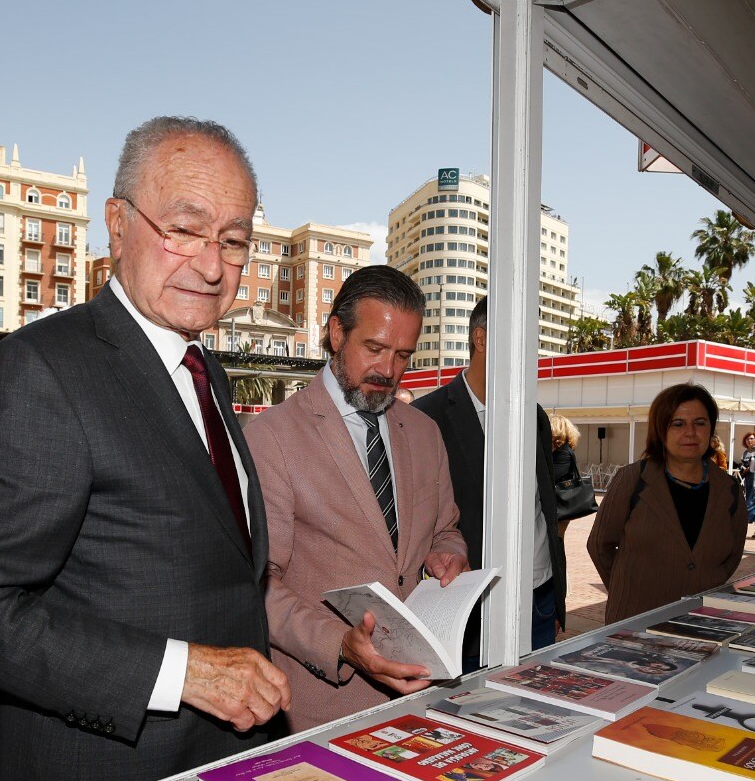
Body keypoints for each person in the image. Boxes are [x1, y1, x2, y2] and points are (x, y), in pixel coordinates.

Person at [0, 117, 289, 781]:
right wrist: (183, 673)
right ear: (118, 226)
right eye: (183, 229)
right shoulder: (40, 369)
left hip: (218, 772)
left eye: (235, 240)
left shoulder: (202, 365)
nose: (212, 265)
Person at [246, 266, 466, 731]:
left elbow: (445, 528)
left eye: (403, 355)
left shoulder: (426, 433)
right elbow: (259, 585)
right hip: (324, 708)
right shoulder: (273, 437)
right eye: (375, 349)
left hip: (425, 700)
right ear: (336, 333)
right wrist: (339, 644)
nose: (388, 370)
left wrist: (449, 552)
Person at [413, 296, 566, 656]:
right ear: (481, 340)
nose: (533, 350)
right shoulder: (427, 418)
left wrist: (557, 596)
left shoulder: (535, 417)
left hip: (539, 600)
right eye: (522, 338)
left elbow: (544, 506)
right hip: (469, 610)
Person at [586, 382, 747, 622]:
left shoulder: (730, 489)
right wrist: (627, 590)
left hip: (702, 621)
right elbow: (600, 546)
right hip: (637, 621)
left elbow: (733, 555)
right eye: (678, 424)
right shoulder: (633, 479)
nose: (690, 433)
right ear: (660, 430)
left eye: (700, 423)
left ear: (711, 429)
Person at [549, 414, 584, 537]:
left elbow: (551, 476)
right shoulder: (562, 450)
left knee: (556, 541)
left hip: (560, 504)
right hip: (560, 504)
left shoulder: (563, 452)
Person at [737, 431, 755, 539]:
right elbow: (742, 466)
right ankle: (750, 529)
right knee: (749, 502)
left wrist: (751, 467)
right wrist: (743, 468)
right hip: (748, 480)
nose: (750, 440)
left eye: (752, 438)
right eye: (748, 439)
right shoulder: (745, 453)